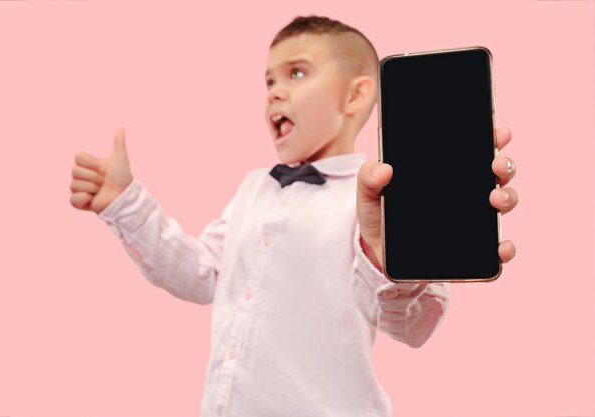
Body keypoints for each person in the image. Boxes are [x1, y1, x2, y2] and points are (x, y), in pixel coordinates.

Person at [69, 15, 518, 417]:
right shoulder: (253, 187)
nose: (274, 92)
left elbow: (413, 326)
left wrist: (387, 260)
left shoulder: (380, 199)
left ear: (355, 96)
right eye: (268, 82)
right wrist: (125, 202)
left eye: (297, 73)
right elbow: (201, 274)